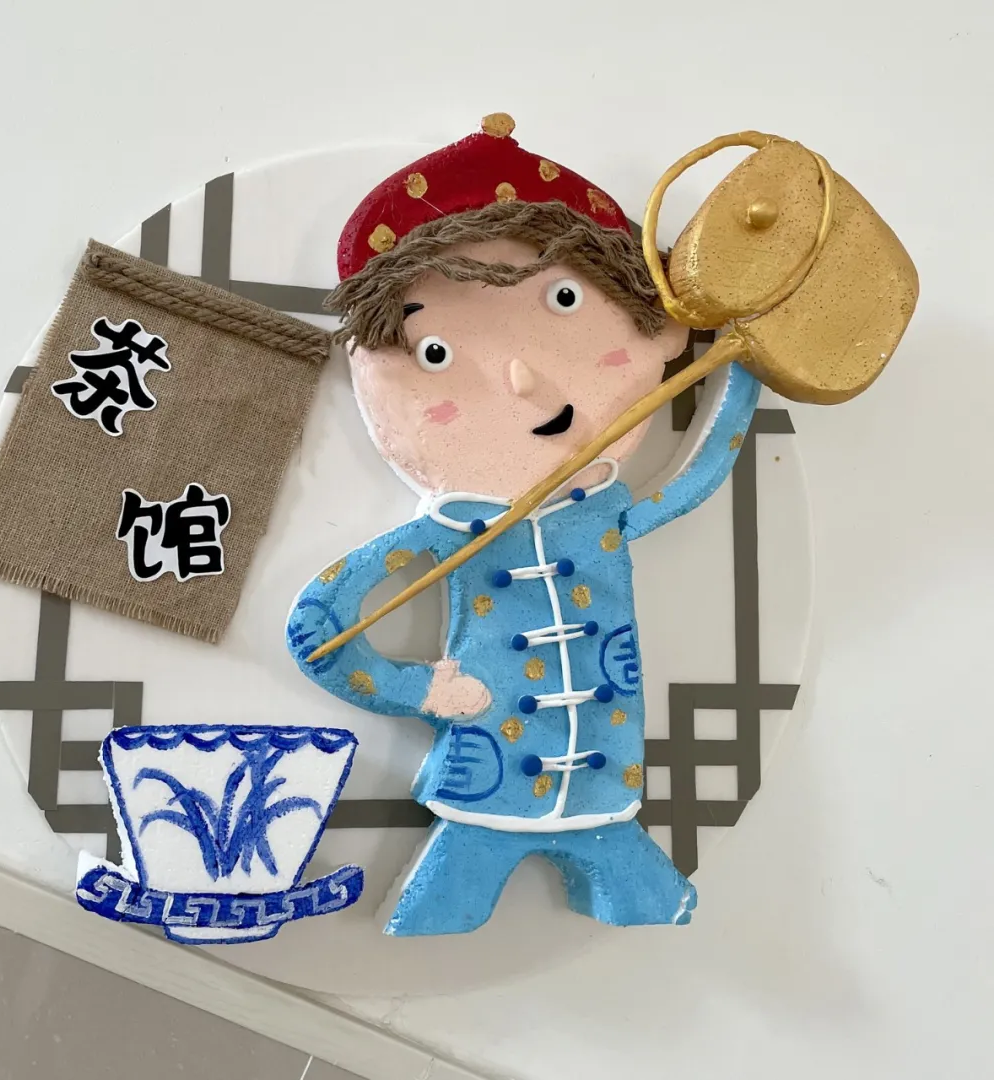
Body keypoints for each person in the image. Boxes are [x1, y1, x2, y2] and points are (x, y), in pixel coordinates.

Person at [286, 114, 759, 935]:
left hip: (605, 781)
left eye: (564, 300)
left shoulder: (602, 516)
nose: (522, 378)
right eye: (436, 352)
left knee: (649, 900)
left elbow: (697, 478)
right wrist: (419, 689)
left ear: (663, 334)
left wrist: (746, 366)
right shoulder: (447, 536)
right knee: (439, 911)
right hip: (486, 775)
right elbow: (317, 629)